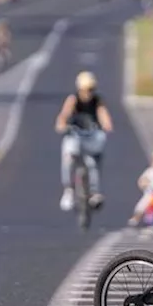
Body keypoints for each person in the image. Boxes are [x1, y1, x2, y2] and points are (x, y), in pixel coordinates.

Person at [54, 71, 114, 212]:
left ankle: (94, 192)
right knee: (69, 156)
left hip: (92, 136)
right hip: (75, 135)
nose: (89, 93)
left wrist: (107, 126)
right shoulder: (73, 100)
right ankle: (68, 190)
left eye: (91, 89)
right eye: (86, 90)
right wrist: (62, 126)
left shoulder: (97, 101)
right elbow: (62, 117)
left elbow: (104, 116)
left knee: (93, 163)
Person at [127, 149, 153, 227]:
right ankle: (136, 217)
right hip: (151, 193)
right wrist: (144, 184)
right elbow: (142, 180)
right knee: (142, 205)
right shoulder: (150, 171)